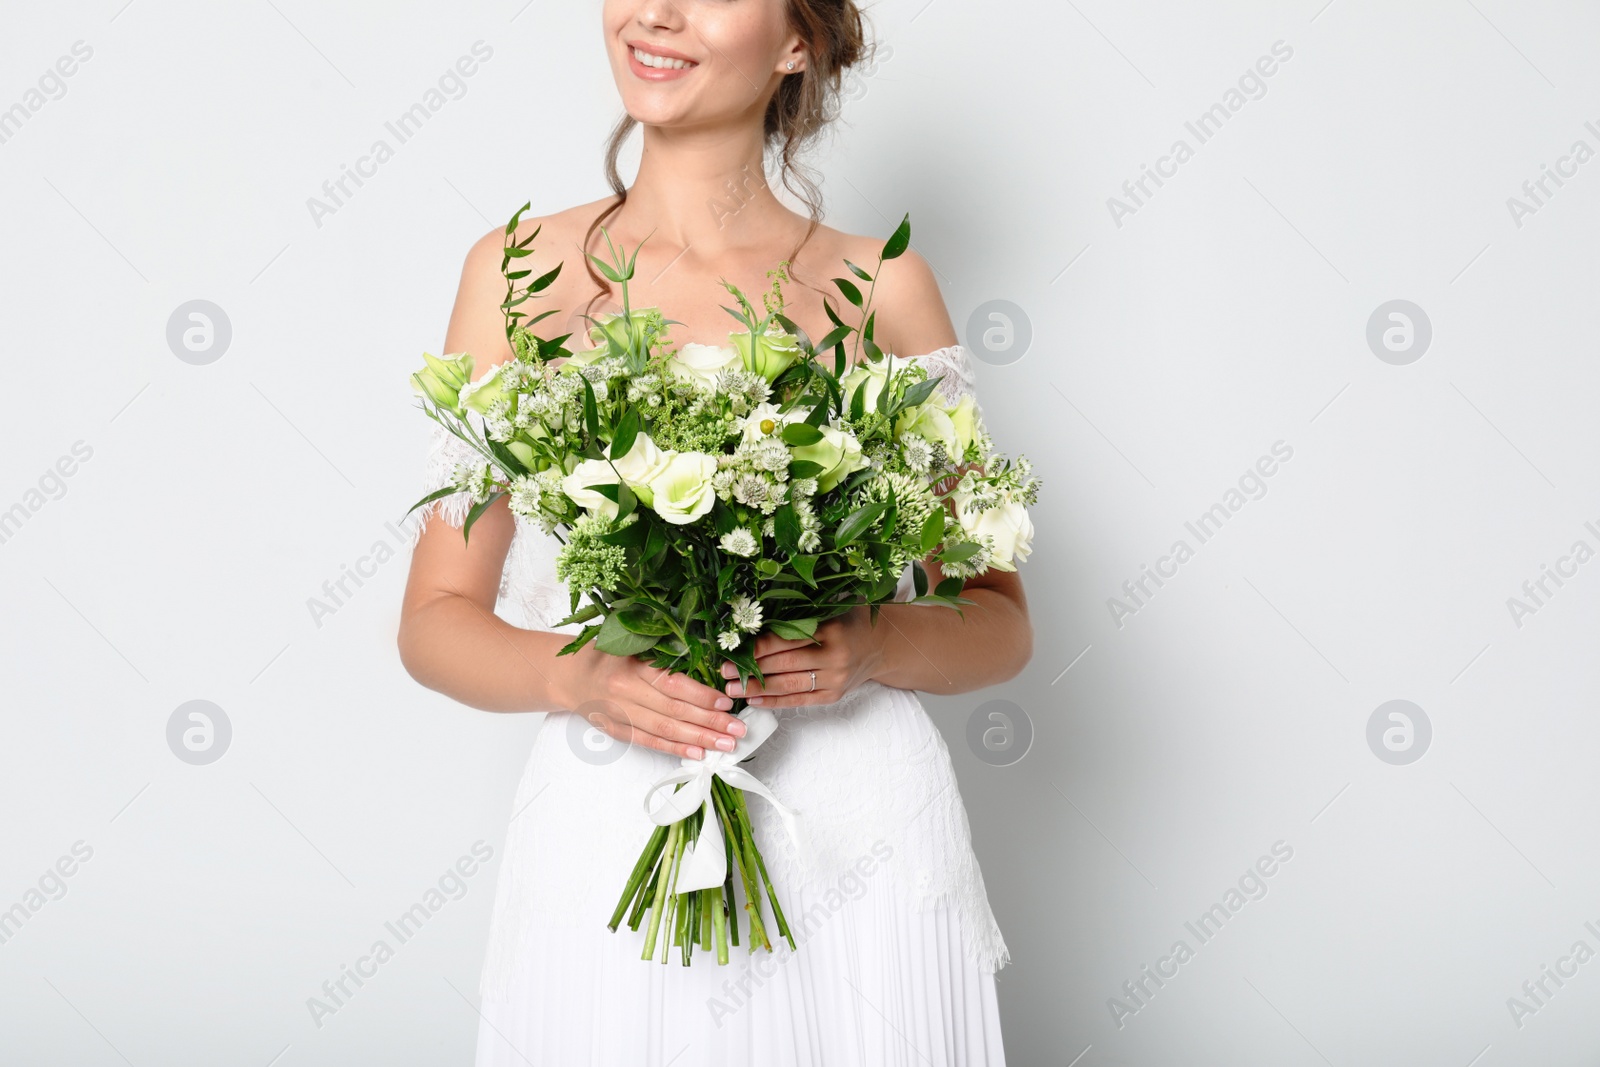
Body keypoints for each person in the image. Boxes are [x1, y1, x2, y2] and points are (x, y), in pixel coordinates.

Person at [398, 2, 1033, 1062]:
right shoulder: (519, 273)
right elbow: (433, 617)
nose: (656, 12)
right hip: (614, 807)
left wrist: (873, 642)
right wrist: (579, 675)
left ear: (798, 42)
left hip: (855, 829)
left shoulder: (881, 286)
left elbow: (998, 618)